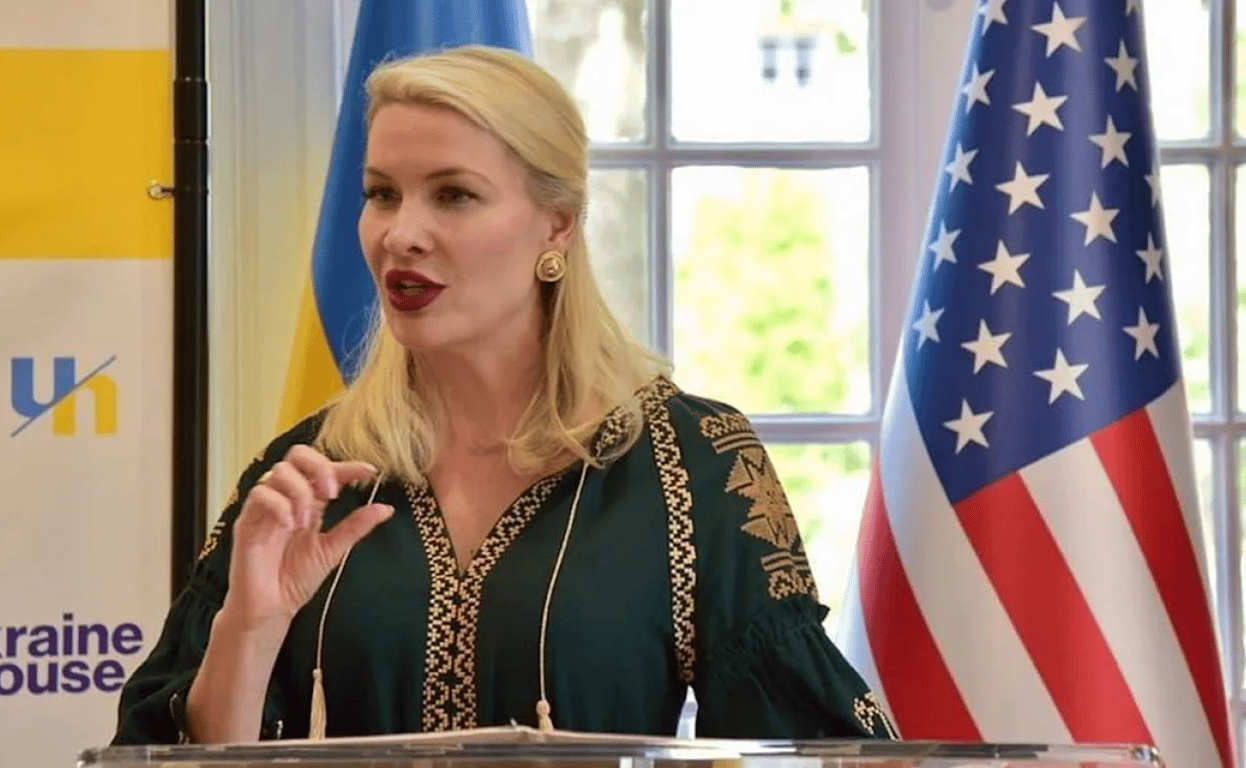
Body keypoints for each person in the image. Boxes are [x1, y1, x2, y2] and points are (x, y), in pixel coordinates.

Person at [112, 44, 896, 746]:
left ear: (558, 226)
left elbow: (808, 744)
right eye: (382, 193)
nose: (400, 234)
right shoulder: (307, 476)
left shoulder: (694, 465)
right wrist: (250, 628)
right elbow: (168, 753)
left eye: (453, 195)